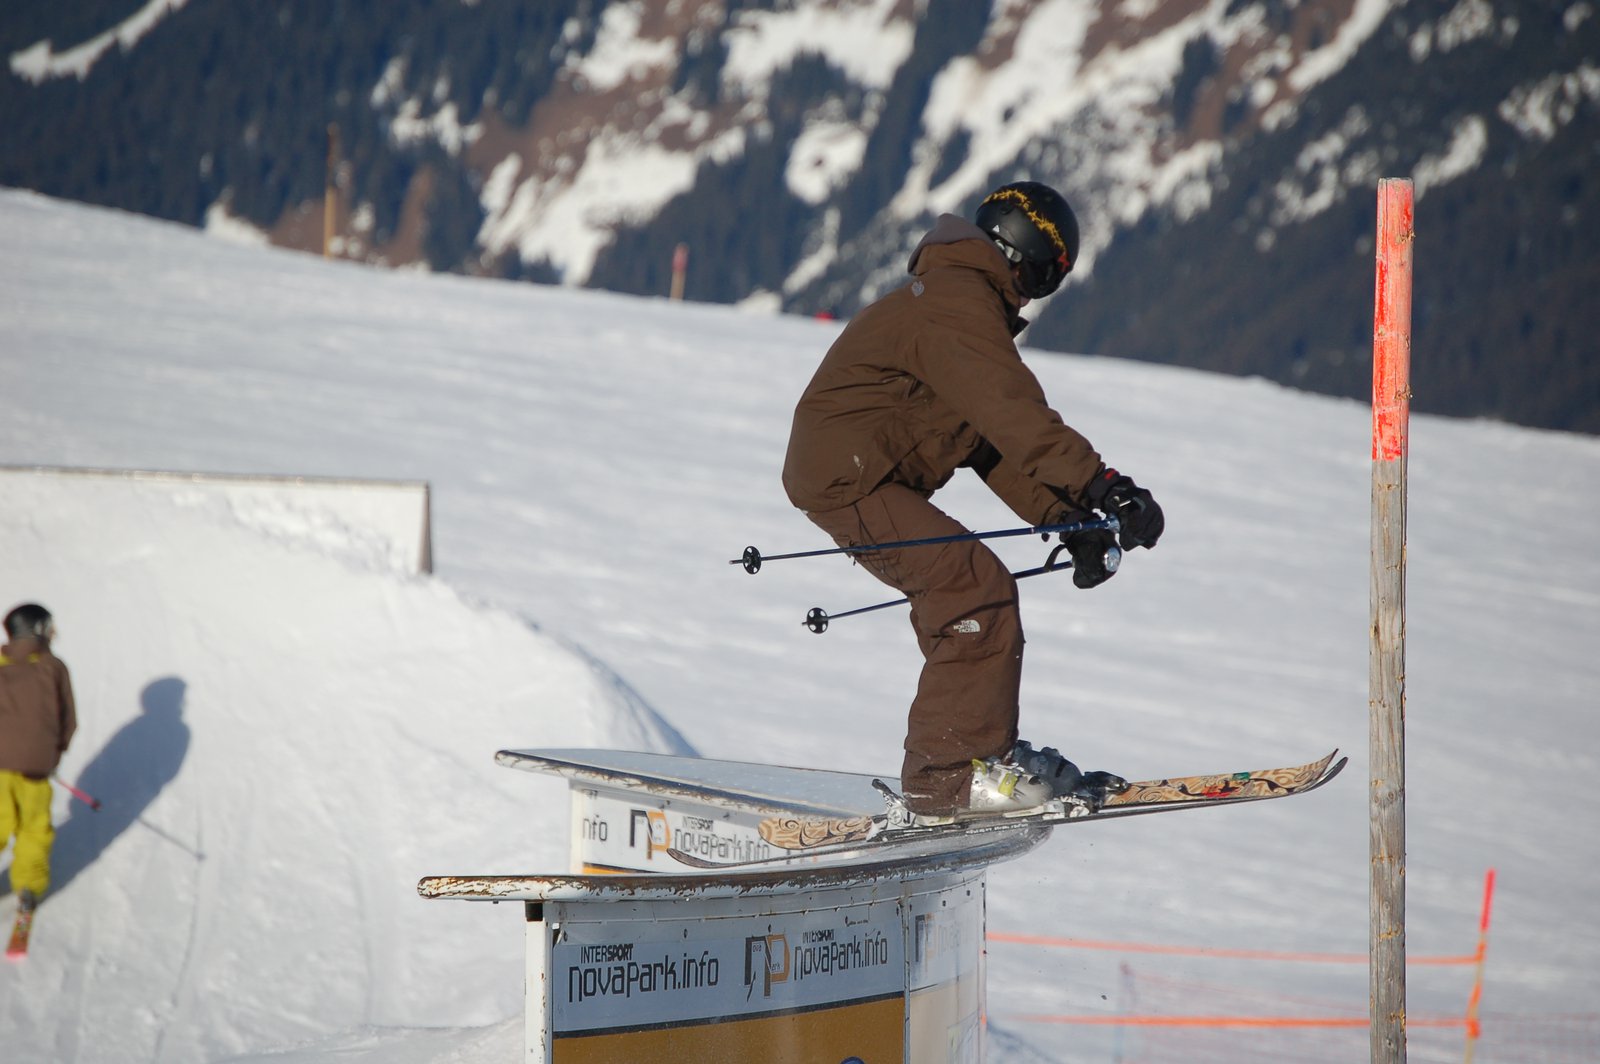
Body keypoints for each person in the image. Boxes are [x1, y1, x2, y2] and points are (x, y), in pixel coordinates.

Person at [782, 180, 1164, 822]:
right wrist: (1105, 486)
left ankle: (974, 759)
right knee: (972, 590)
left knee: (971, 588)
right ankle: (948, 780)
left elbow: (988, 444)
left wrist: (1070, 520)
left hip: (861, 472)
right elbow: (1015, 416)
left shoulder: (960, 301)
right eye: (1048, 276)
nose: (1039, 292)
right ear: (1027, 259)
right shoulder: (957, 305)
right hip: (849, 476)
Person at [1, 603, 77, 913]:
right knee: (34, 826)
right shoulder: (53, 666)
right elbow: (68, 720)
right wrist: (53, 753)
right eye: (49, 627)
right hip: (36, 767)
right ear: (38, 630)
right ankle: (29, 887)